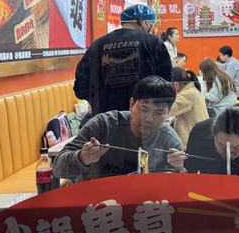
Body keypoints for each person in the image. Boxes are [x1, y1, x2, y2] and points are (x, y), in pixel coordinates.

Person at [54, 76, 182, 180]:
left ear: (169, 113)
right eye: (144, 109)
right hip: (97, 199)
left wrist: (180, 168)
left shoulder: (169, 140)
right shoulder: (103, 125)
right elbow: (57, 168)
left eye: (159, 112)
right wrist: (82, 157)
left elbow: (181, 183)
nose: (149, 118)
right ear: (131, 104)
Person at [73, 4, 172, 115]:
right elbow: (165, 83)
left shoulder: (97, 45)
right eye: (151, 24)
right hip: (143, 116)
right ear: (144, 22)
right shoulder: (153, 43)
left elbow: (80, 86)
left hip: (105, 117)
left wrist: (99, 102)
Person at [169, 67, 209, 146]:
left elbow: (167, 110)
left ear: (176, 84)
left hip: (192, 141)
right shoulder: (192, 91)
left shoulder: (187, 94)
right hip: (199, 138)